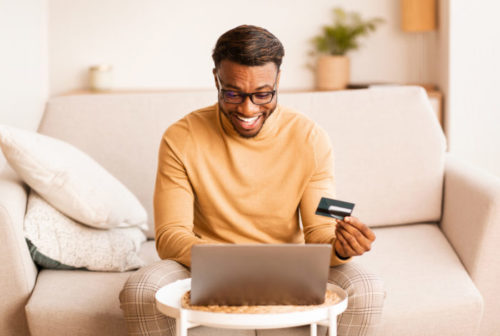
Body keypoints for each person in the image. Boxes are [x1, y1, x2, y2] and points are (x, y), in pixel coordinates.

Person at [120, 25, 385, 336]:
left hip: (289, 267)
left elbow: (320, 229)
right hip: (201, 264)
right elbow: (170, 236)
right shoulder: (181, 138)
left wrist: (341, 246)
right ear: (216, 79)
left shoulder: (310, 139)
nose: (248, 109)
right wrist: (235, 263)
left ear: (278, 81)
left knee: (367, 288)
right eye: (232, 93)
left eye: (263, 94)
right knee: (140, 291)